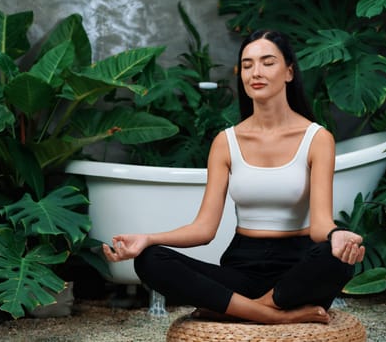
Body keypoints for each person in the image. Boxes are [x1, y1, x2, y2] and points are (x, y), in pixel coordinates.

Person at [102, 29, 366, 324]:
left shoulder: (317, 138)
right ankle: (273, 316)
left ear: (289, 72)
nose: (256, 72)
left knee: (338, 258)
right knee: (150, 260)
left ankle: (241, 310)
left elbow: (320, 226)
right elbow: (204, 228)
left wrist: (336, 236)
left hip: (295, 272)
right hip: (241, 268)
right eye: (248, 64)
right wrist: (147, 239)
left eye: (268, 62)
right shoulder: (226, 141)